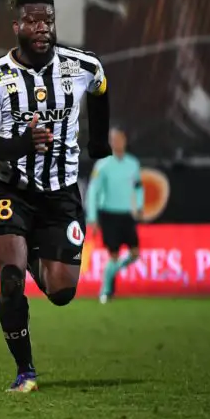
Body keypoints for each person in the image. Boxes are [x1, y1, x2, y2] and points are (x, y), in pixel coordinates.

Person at [0, 0, 111, 392]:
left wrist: (98, 141)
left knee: (61, 291)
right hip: (10, 188)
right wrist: (23, 143)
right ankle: (25, 371)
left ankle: (17, 246)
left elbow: (101, 86)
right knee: (11, 281)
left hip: (60, 193)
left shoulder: (80, 66)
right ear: (16, 26)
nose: (42, 28)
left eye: (47, 20)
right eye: (32, 21)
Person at [86, 127, 143, 303]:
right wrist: (92, 218)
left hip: (126, 214)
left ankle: (110, 275)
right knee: (114, 255)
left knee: (135, 254)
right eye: (113, 140)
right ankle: (105, 291)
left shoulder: (133, 163)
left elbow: (138, 187)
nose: (117, 142)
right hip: (109, 214)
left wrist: (139, 205)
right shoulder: (103, 165)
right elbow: (93, 192)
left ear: (124, 140)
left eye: (119, 139)